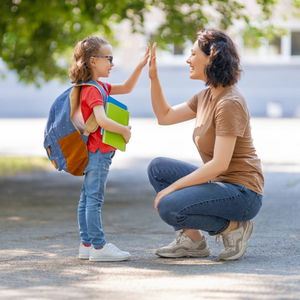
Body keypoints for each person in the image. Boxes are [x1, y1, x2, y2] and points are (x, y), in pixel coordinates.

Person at [147, 29, 264, 261]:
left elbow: (219, 164)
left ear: (212, 57)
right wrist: (153, 78)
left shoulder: (229, 103)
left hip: (243, 193)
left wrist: (170, 189)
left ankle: (233, 228)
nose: (187, 59)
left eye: (193, 54)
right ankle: (193, 242)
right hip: (221, 184)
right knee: (158, 168)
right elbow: (165, 116)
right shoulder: (206, 96)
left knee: (169, 205)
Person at [69, 36, 149, 262]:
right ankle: (99, 246)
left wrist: (141, 65)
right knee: (94, 199)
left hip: (92, 151)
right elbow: (102, 120)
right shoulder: (93, 90)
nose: (112, 64)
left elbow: (126, 87)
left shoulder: (95, 86)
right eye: (109, 59)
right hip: (98, 152)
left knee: (86, 198)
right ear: (93, 61)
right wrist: (124, 130)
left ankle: (86, 244)